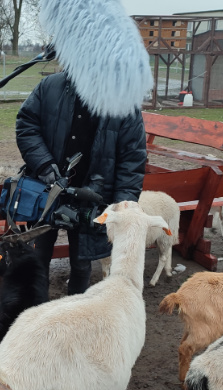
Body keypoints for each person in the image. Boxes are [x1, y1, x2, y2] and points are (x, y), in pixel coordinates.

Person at [15, 71, 148, 295]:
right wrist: (44, 165)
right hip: (47, 190)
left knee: (81, 263)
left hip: (93, 196)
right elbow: (27, 124)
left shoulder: (124, 100)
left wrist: (122, 207)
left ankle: (74, 314)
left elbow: (132, 158)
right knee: (37, 257)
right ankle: (34, 310)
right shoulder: (51, 86)